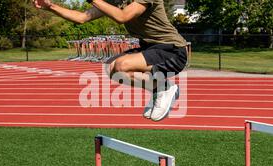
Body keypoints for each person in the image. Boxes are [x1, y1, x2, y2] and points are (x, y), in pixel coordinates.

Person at [33, 0, 188, 121]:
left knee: (122, 65)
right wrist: (50, 6)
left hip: (173, 50)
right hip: (151, 47)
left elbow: (123, 17)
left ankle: (164, 87)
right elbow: (81, 18)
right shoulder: (117, 1)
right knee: (111, 68)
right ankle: (159, 88)